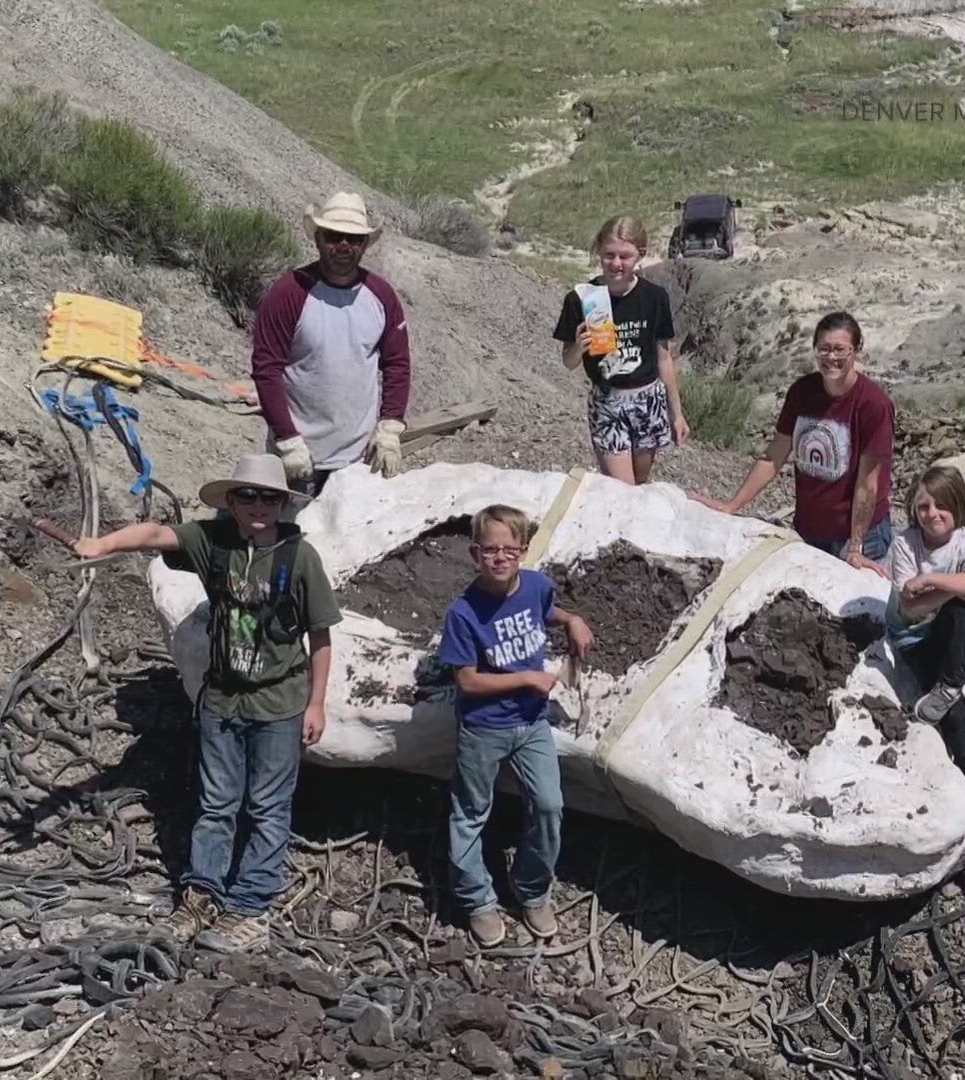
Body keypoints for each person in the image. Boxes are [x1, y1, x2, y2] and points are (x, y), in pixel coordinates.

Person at [71, 454, 341, 951]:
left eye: (269, 497)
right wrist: (101, 545)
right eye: (248, 496)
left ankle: (251, 908)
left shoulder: (300, 558)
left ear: (283, 504)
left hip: (279, 705)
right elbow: (155, 536)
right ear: (232, 502)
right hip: (221, 701)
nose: (258, 505)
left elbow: (320, 636)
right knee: (216, 804)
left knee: (267, 807)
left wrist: (317, 703)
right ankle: (202, 898)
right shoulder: (212, 542)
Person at [438, 504, 594, 947]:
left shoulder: (537, 586)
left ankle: (532, 890)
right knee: (469, 815)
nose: (500, 558)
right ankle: (478, 901)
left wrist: (572, 619)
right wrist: (527, 677)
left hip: (531, 722)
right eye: (490, 549)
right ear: (474, 553)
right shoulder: (464, 613)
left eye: (509, 548)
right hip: (484, 728)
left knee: (548, 805)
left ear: (524, 550)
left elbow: (544, 610)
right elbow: (467, 680)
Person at [692, 312, 894, 573]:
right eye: (823, 349)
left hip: (860, 537)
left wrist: (855, 547)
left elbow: (868, 484)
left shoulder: (873, 405)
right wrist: (732, 505)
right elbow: (774, 455)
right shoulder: (802, 392)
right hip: (810, 530)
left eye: (839, 349)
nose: (831, 357)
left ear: (857, 350)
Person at [252, 191, 412, 497]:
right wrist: (287, 439)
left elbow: (397, 364)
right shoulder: (289, 292)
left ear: (365, 244)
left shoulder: (381, 296)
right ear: (317, 238)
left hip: (358, 457)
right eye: (334, 236)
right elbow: (266, 369)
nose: (343, 246)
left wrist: (390, 427)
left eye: (353, 239)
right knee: (293, 535)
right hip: (301, 455)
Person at [888, 465, 965, 819]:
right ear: (914, 510)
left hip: (947, 634)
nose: (932, 515)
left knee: (960, 606)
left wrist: (933, 582)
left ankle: (951, 684)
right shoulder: (904, 544)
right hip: (914, 640)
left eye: (940, 506)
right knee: (954, 712)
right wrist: (957, 588)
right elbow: (909, 607)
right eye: (924, 507)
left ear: (958, 506)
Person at [553, 215, 687, 484]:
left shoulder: (654, 297)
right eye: (608, 255)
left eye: (624, 256)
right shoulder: (582, 298)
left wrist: (677, 414)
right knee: (620, 489)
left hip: (648, 400)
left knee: (639, 483)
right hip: (608, 402)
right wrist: (580, 346)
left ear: (640, 255)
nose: (616, 264)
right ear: (598, 252)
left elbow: (664, 357)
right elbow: (568, 362)